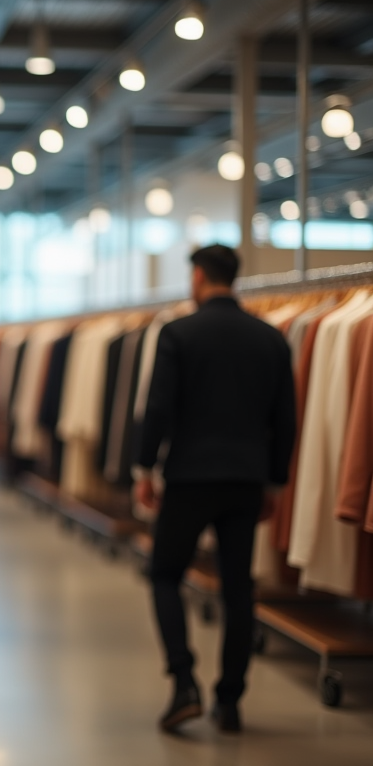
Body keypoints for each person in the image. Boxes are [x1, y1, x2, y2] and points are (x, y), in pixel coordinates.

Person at [133, 244, 295, 735]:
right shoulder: (270, 338)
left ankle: (184, 681)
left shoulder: (178, 332)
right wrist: (275, 481)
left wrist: (144, 468)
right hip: (246, 479)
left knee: (165, 574)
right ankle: (230, 700)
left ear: (199, 278)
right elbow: (285, 418)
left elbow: (158, 406)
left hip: (189, 476)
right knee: (238, 587)